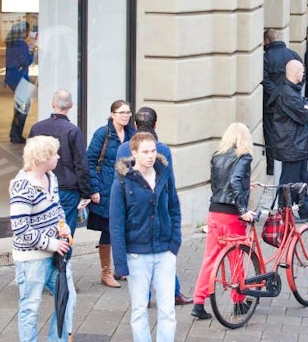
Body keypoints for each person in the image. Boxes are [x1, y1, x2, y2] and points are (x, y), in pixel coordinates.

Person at [111, 132, 183, 342]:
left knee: (167, 310)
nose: (151, 156)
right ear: (134, 153)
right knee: (139, 309)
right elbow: (116, 223)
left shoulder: (164, 175)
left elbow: (174, 207)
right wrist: (120, 263)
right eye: (145, 152)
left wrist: (174, 243)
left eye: (153, 151)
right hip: (136, 254)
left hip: (164, 252)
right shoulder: (123, 181)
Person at [10, 135, 79, 342]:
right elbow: (20, 228)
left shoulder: (51, 178)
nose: (58, 157)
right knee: (30, 307)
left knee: (67, 299)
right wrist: (52, 243)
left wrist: (63, 226)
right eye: (54, 154)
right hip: (32, 258)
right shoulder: (22, 187)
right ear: (42, 158)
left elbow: (57, 208)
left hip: (55, 254)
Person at [115, 106, 191, 304]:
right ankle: (174, 292)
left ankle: (146, 297)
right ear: (155, 124)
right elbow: (169, 180)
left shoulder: (124, 148)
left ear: (135, 125)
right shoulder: (162, 149)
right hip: (157, 208)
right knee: (162, 253)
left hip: (134, 210)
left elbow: (119, 178)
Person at [191, 123, 254, 320]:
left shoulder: (217, 156)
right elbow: (234, 181)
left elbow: (217, 184)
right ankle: (238, 301)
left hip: (215, 212)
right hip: (232, 215)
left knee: (210, 258)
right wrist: (243, 210)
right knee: (236, 258)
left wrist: (245, 186)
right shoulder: (244, 156)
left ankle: (198, 302)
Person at [268, 60, 308, 221]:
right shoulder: (287, 93)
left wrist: (306, 106)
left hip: (297, 142)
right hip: (290, 143)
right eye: (302, 72)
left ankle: (306, 209)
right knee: (289, 181)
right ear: (296, 73)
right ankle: (284, 213)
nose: (303, 75)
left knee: (302, 179)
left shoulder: (292, 90)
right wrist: (306, 107)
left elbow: (305, 104)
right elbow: (303, 115)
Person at [86, 100, 136, 288]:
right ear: (113, 114)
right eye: (121, 112)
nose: (125, 116)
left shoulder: (132, 134)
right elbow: (90, 161)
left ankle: (120, 269)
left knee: (125, 229)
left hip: (127, 189)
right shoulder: (103, 133)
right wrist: (94, 189)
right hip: (107, 189)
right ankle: (106, 272)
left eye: (128, 112)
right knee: (108, 230)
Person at [29, 90, 93, 235]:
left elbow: (29, 158)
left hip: (40, 186)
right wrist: (85, 192)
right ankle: (62, 251)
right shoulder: (73, 130)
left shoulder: (37, 128)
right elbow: (81, 164)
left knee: (42, 228)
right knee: (65, 232)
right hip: (67, 189)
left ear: (53, 104)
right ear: (71, 105)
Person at [262, 29, 301, 172]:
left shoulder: (266, 57)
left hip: (271, 103)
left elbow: (264, 79)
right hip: (289, 102)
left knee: (271, 133)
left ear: (267, 40)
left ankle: (272, 166)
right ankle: (286, 163)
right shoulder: (292, 54)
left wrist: (277, 94)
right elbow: (301, 75)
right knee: (287, 132)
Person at [5, 21, 35, 144]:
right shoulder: (21, 44)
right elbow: (26, 61)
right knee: (23, 107)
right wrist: (31, 50)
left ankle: (14, 133)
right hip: (20, 78)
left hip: (12, 77)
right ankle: (16, 134)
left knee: (19, 107)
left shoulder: (10, 44)